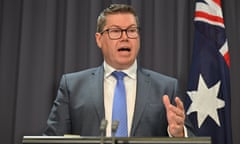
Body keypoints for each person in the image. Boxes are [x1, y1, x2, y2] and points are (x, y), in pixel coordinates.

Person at [43, 4, 195, 137]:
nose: (125, 37)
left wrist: (179, 134)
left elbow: (193, 140)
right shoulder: (72, 86)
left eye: (131, 30)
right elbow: (53, 138)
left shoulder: (167, 88)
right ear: (99, 39)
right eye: (115, 31)